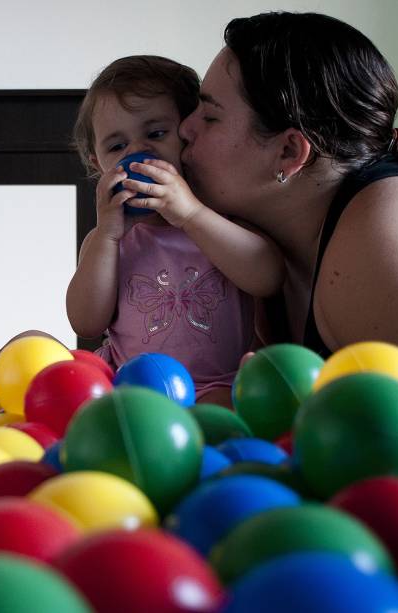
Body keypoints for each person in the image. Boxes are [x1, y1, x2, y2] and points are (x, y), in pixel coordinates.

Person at [176, 12, 398, 357]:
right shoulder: (254, 248)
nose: (184, 129)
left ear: (289, 151)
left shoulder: (391, 233)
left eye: (210, 117)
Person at [66, 55, 284, 405]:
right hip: (127, 386)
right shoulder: (107, 241)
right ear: (98, 162)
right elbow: (86, 323)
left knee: (226, 409)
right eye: (117, 146)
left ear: (188, 136)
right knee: (33, 344)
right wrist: (107, 236)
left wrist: (190, 214)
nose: (138, 151)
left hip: (212, 387)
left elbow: (267, 276)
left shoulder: (218, 221)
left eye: (156, 134)